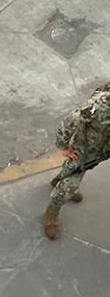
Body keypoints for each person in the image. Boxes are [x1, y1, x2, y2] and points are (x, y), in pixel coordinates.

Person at [44, 83, 110, 239]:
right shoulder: (99, 106)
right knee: (69, 185)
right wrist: (63, 146)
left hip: (100, 151)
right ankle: (51, 215)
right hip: (83, 150)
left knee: (76, 170)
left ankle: (58, 179)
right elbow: (73, 119)